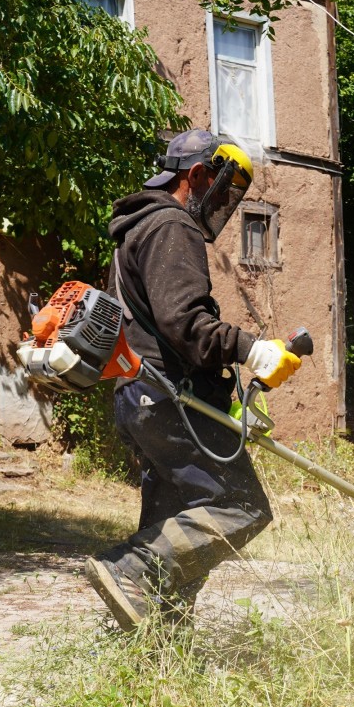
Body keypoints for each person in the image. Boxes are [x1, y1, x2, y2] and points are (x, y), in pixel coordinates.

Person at [83, 129, 302, 631]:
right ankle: (131, 569)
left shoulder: (135, 230)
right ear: (197, 175)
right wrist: (255, 350)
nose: (223, 203)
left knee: (176, 526)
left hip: (142, 396)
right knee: (239, 506)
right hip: (172, 396)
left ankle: (157, 650)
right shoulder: (170, 226)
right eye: (222, 190)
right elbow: (186, 324)